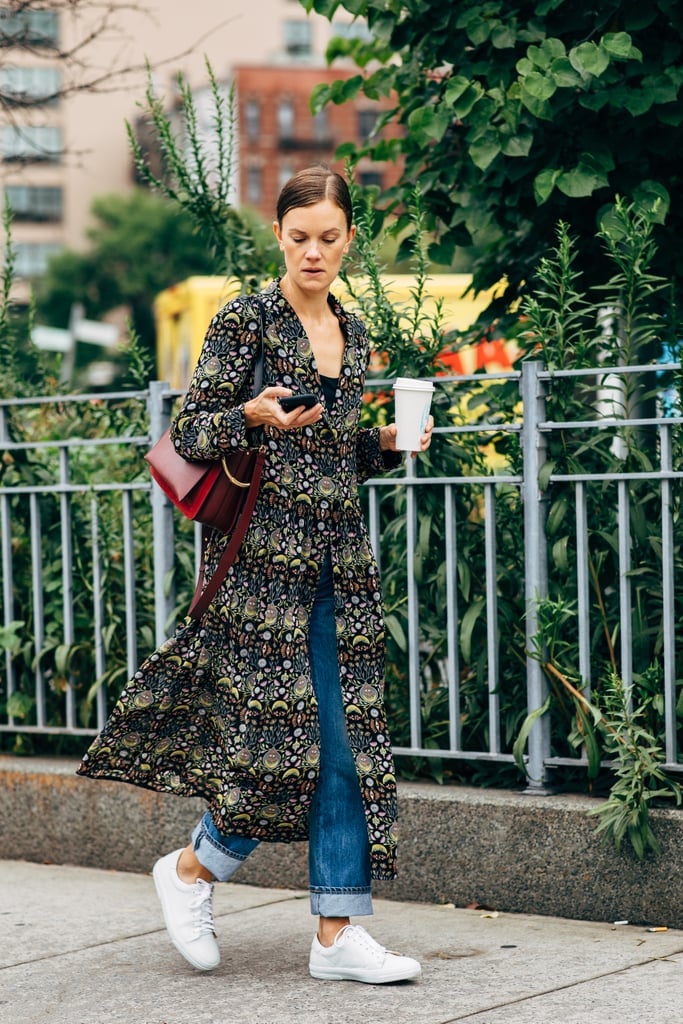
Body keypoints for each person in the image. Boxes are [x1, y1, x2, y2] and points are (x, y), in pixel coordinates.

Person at [78, 165, 433, 984]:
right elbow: (189, 431)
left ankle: (336, 934)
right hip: (259, 572)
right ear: (277, 235)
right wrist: (250, 413)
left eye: (329, 238)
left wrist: (383, 445)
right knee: (273, 746)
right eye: (299, 236)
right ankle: (192, 871)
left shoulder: (355, 328)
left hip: (338, 565)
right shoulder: (247, 320)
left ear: (349, 239)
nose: (314, 252)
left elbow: (337, 453)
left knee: (343, 744)